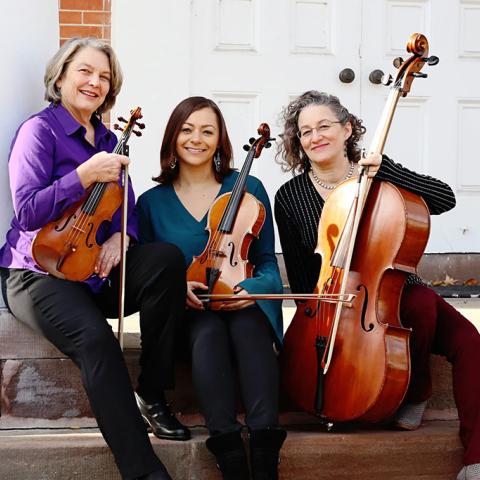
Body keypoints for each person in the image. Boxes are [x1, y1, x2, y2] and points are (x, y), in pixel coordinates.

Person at [0, 37, 190, 480]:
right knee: (98, 344)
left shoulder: (109, 139)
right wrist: (84, 174)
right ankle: (144, 472)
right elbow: (27, 211)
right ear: (61, 75)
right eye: (85, 71)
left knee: (165, 259)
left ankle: (153, 392)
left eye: (104, 76)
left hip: (95, 272)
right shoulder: (39, 131)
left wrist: (123, 237)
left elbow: (129, 206)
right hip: (39, 273)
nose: (95, 82)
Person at [274, 90, 480, 480]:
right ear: (298, 142)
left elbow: (444, 198)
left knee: (457, 332)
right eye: (305, 132)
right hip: (336, 302)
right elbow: (303, 277)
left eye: (324, 126)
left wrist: (385, 169)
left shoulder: (378, 173)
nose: (315, 136)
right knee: (420, 308)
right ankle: (402, 390)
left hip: (393, 288)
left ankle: (473, 455)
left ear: (347, 129)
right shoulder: (291, 196)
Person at [136, 96, 287, 480]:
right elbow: (147, 272)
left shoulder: (247, 187)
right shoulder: (150, 203)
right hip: (192, 311)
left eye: (207, 130)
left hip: (243, 302)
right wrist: (176, 287)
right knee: (208, 334)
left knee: (250, 329)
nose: (196, 139)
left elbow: (268, 261)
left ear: (220, 140)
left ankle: (267, 458)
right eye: (187, 130)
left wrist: (254, 288)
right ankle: (231, 456)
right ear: (172, 138)